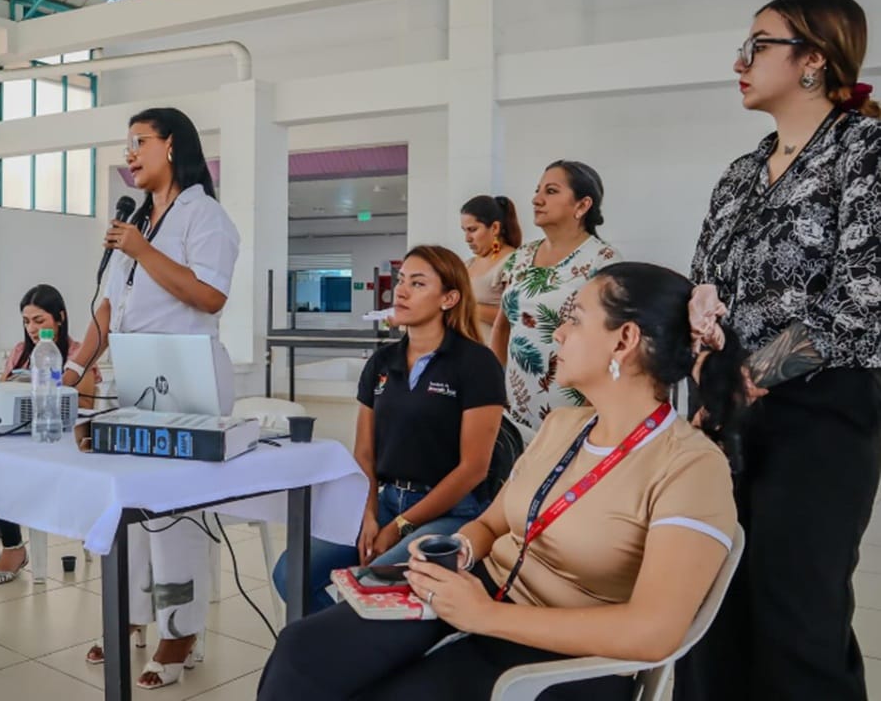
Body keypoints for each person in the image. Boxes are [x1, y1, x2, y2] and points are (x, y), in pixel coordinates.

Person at [258, 262, 745, 701]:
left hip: (565, 651)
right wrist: (460, 552)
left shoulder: (690, 466)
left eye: (574, 320)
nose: (558, 335)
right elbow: (491, 523)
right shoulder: (564, 427)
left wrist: (484, 617)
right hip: (484, 592)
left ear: (625, 340)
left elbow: (653, 633)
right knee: (305, 650)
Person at [675, 0, 881, 701]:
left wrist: (748, 376)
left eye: (759, 44)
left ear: (814, 60)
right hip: (727, 413)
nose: (741, 60)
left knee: (797, 615)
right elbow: (705, 275)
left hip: (822, 412)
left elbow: (862, 303)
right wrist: (699, 315)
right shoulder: (740, 172)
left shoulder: (865, 153)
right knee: (709, 603)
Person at [66, 107, 240, 690]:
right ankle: (136, 614)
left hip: (189, 375)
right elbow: (107, 311)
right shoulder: (137, 222)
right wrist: (70, 374)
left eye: (140, 142)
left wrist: (141, 251)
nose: (130, 154)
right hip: (137, 376)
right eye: (128, 144)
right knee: (132, 505)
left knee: (176, 513)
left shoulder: (204, 215)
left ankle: (181, 628)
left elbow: (210, 296)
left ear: (173, 146)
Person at [271, 245, 506, 612]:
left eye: (417, 283)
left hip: (453, 511)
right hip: (384, 501)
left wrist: (398, 526)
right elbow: (364, 452)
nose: (401, 291)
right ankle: (345, 655)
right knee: (290, 573)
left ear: (449, 298)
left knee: (375, 582)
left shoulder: (476, 363)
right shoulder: (383, 361)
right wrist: (366, 514)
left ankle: (351, 651)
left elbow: (473, 468)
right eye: (400, 281)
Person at [0, 285, 97, 585]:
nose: (32, 329)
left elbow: (86, 406)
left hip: (58, 441)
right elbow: (0, 392)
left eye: (39, 320)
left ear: (60, 318)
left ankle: (13, 548)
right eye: (27, 321)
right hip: (18, 436)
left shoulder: (79, 353)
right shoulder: (19, 352)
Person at [490, 161, 620, 431]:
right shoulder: (521, 256)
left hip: (573, 406)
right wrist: (493, 387)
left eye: (551, 191)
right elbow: (503, 325)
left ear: (582, 205)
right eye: (538, 190)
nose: (536, 199)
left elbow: (610, 342)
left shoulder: (603, 261)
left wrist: (589, 410)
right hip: (514, 405)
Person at [461, 195, 522, 343]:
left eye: (473, 230)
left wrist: (465, 306)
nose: (467, 238)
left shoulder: (515, 261)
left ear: (495, 228)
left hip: (493, 355)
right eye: (464, 231)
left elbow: (516, 316)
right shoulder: (468, 264)